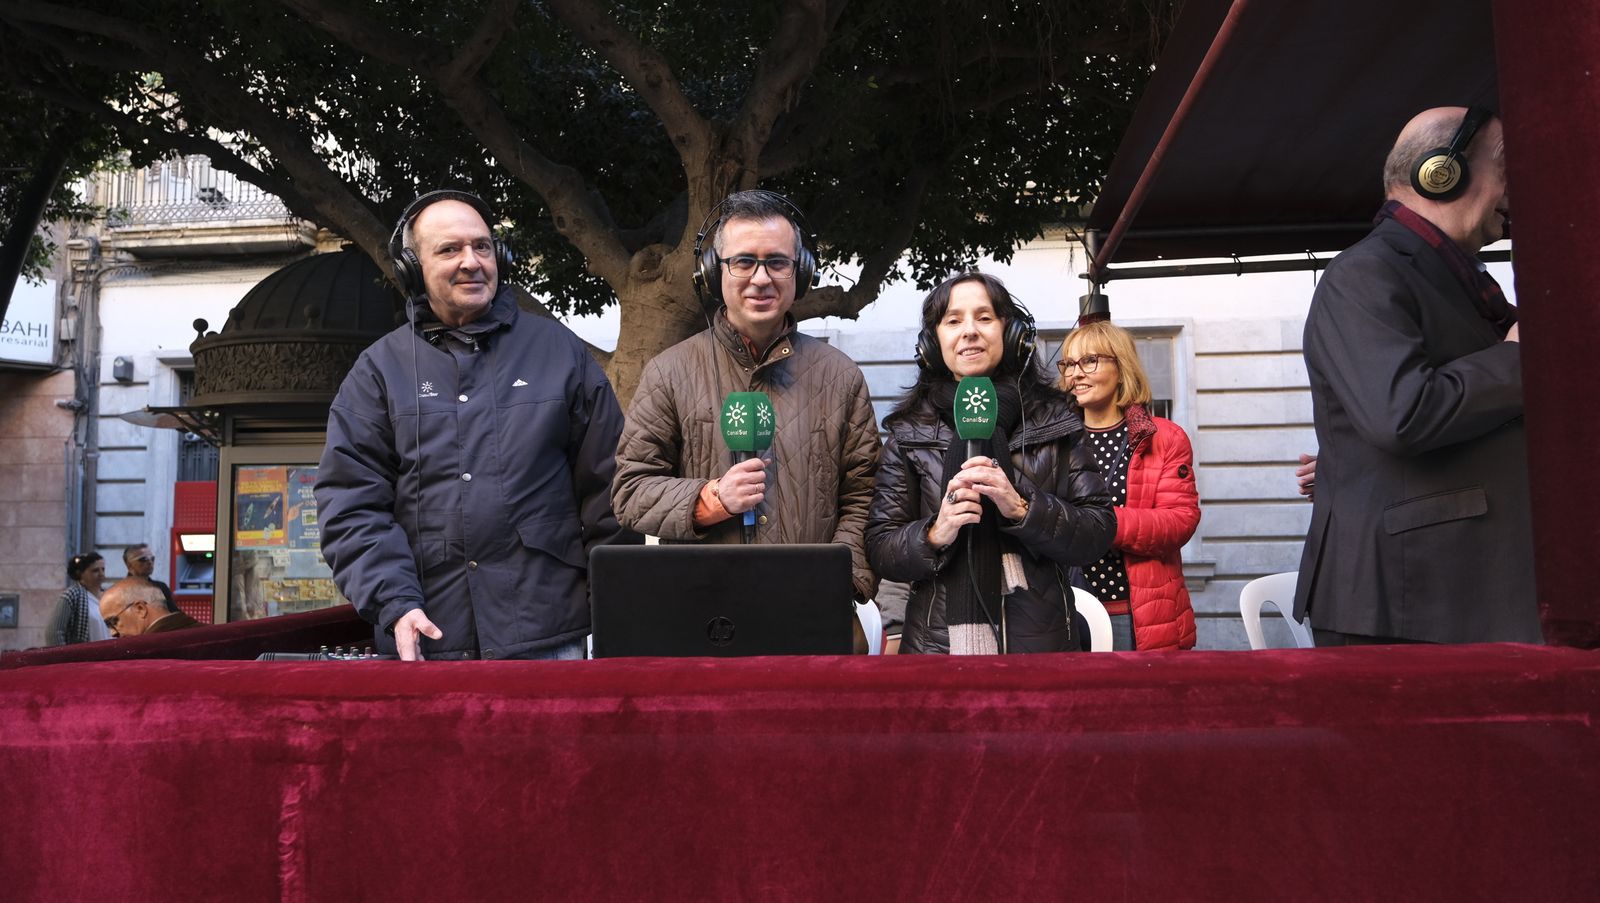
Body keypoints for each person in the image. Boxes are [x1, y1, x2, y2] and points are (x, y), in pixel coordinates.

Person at [316, 190, 633, 661]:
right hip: (426, 637)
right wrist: (395, 603)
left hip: (550, 636)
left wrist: (608, 609)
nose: (471, 261)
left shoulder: (559, 352)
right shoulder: (378, 371)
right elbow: (351, 504)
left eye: (482, 246)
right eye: (449, 249)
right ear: (412, 267)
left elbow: (612, 491)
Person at [1295, 106, 1538, 645]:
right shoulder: (1363, 273)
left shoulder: (1448, 274)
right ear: (1442, 171)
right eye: (1507, 167)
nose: (1518, 188)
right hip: (1409, 597)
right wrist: (1520, 355)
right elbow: (1403, 414)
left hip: (1450, 587)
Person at [612, 190, 881, 604]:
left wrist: (837, 580)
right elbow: (631, 492)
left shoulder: (840, 376)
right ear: (712, 271)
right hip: (703, 607)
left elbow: (865, 495)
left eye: (777, 262)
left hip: (810, 604)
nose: (761, 278)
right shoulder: (669, 372)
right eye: (743, 262)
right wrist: (710, 499)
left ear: (801, 272)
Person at [866, 273, 1115, 654]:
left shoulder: (1057, 419)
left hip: (1041, 650)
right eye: (953, 320)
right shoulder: (908, 431)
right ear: (933, 343)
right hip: (936, 650)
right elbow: (882, 548)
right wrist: (935, 532)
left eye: (984, 317)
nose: (969, 331)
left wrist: (1021, 507)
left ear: (1011, 333)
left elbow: (1097, 532)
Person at [1058, 320, 1201, 650]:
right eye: (1069, 364)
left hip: (1134, 614)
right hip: (1064, 608)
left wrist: (1100, 523)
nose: (1075, 374)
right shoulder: (1055, 440)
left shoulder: (1163, 437)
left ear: (1121, 368)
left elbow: (1179, 520)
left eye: (1089, 361)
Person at [99, 578, 201, 637]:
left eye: (113, 622)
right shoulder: (205, 632)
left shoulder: (143, 652)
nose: (113, 633)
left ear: (140, 609)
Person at [45, 552, 109, 646]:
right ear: (80, 573)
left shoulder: (109, 595)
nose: (101, 574)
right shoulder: (72, 595)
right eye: (95, 570)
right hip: (86, 652)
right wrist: (65, 653)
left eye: (103, 569)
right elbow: (54, 632)